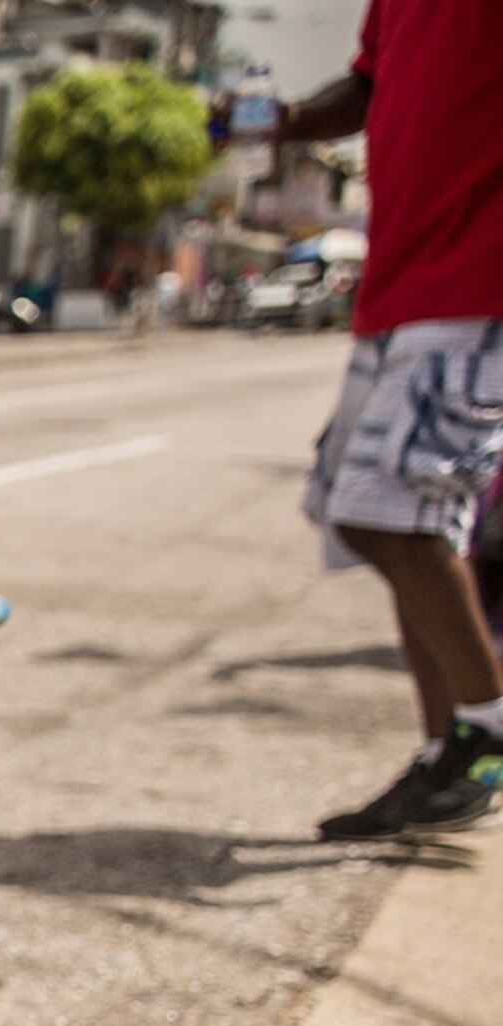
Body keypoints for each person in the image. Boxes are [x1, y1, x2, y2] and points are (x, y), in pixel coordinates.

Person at [252, 0, 503, 839]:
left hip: (479, 279)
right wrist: (281, 120)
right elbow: (367, 84)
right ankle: (447, 753)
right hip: (402, 279)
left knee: (390, 511)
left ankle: (492, 734)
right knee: (377, 518)